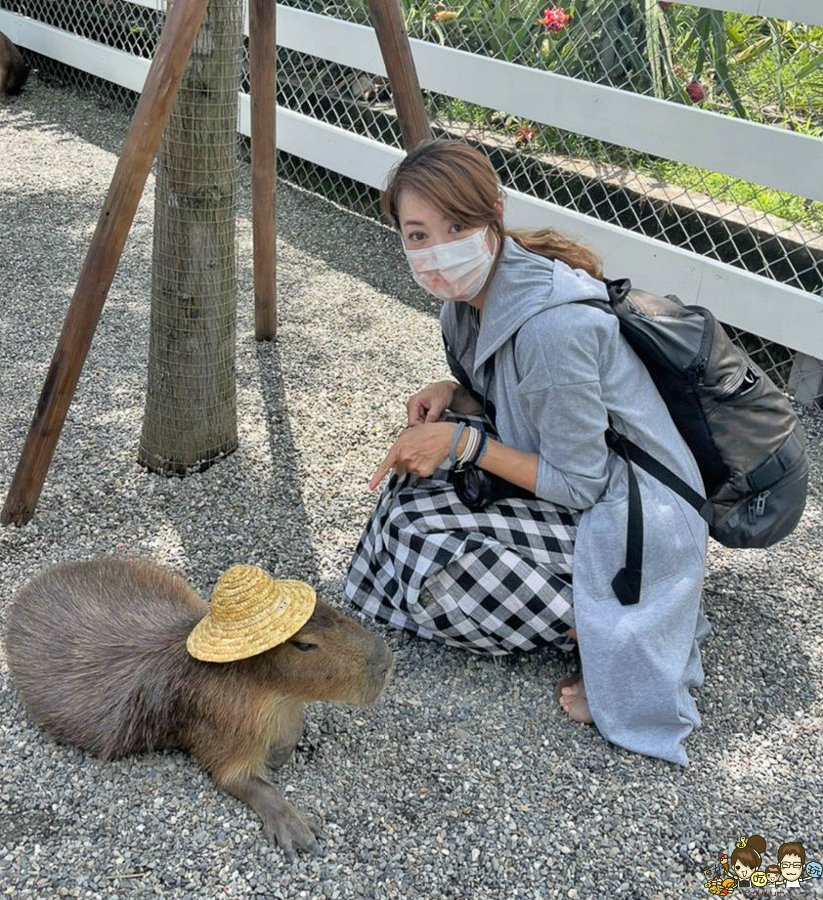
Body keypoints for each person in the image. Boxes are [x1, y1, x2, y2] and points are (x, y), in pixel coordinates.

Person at [345, 139, 710, 766]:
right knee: (404, 504)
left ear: (495, 212)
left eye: (455, 226)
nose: (434, 251)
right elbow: (519, 406)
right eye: (416, 234)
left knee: (434, 550)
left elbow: (581, 483)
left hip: (636, 514)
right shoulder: (468, 302)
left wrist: (463, 441)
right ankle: (582, 607)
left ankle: (601, 622)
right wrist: (455, 394)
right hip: (594, 492)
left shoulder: (551, 326)